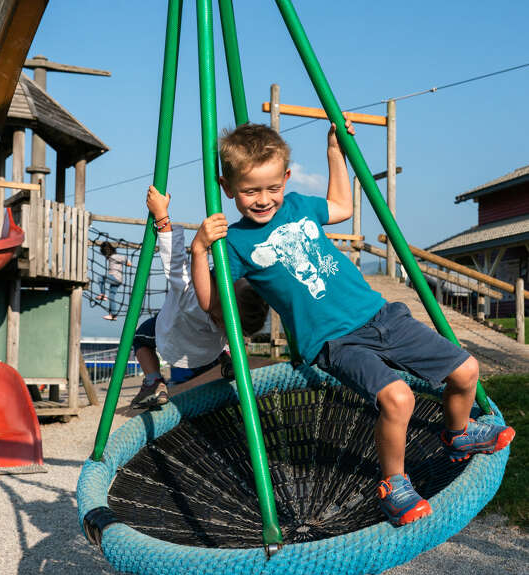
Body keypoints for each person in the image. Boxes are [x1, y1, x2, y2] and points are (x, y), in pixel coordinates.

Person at [190, 121, 515, 527]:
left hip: (380, 315)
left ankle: (457, 433)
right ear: (227, 186)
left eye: (273, 187)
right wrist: (199, 248)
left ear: (286, 179)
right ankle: (393, 485)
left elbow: (341, 207)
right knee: (399, 399)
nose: (263, 199)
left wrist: (333, 149)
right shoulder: (234, 241)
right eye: (250, 190)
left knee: (466, 370)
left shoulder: (298, 207)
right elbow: (211, 304)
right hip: (333, 341)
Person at [130, 185, 269, 409]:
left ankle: (153, 380)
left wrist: (161, 216)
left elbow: (175, 263)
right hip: (210, 351)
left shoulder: (192, 299)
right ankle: (229, 356)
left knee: (140, 339)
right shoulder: (229, 320)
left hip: (177, 339)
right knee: (228, 332)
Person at [96, 241, 131, 321]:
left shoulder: (114, 256)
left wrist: (128, 262)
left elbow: (124, 258)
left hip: (115, 278)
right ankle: (113, 315)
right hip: (117, 279)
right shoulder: (111, 257)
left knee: (101, 278)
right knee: (112, 297)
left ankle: (103, 294)